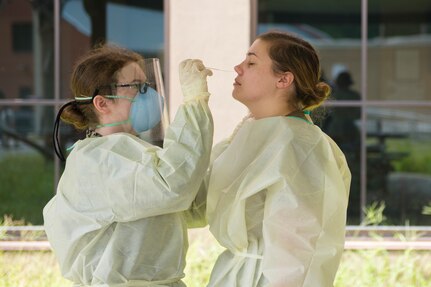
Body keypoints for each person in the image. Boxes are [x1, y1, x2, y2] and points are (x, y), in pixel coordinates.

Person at [186, 31, 351, 286]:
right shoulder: (253, 133)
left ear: (284, 79)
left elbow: (299, 250)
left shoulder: (299, 144)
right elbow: (196, 205)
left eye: (251, 62)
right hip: (235, 275)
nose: (237, 68)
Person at [43, 45, 214, 286]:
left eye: (148, 85)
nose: (150, 94)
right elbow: (174, 186)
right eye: (138, 86)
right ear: (102, 103)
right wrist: (194, 103)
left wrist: (232, 151)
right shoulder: (96, 162)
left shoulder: (132, 151)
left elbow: (191, 207)